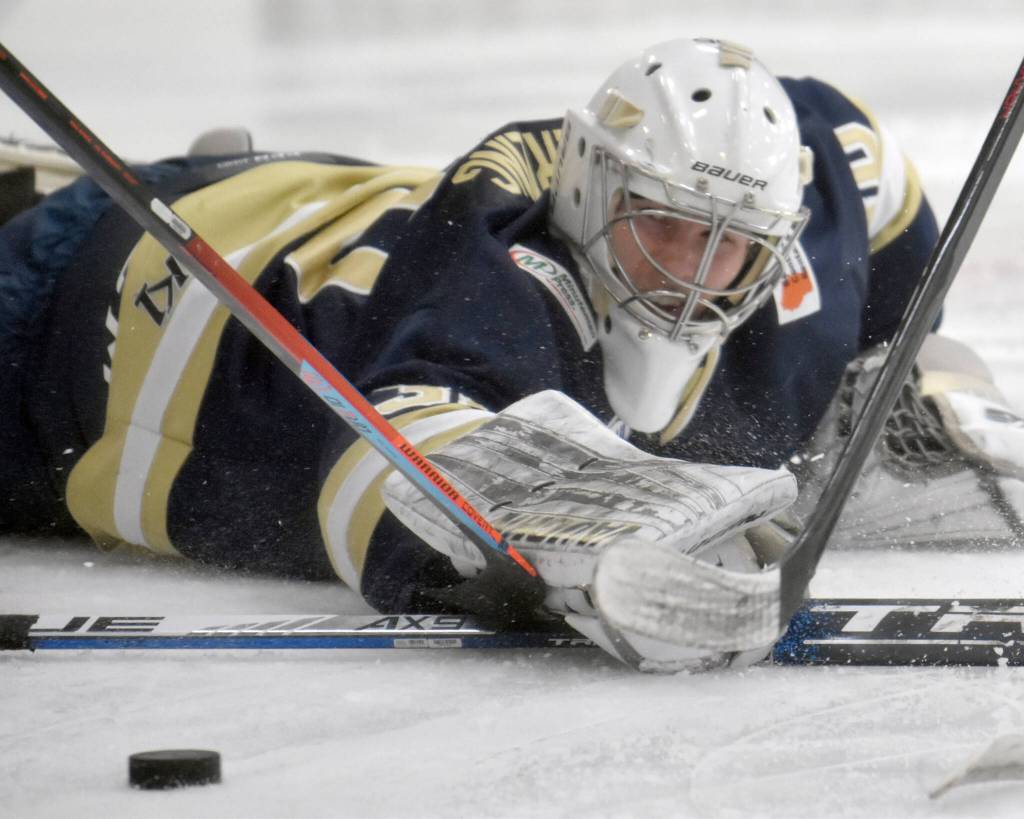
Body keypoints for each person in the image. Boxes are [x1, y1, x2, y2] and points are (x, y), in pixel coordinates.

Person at [3, 38, 1023, 672]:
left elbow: (860, 170)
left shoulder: (822, 178)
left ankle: (212, 165)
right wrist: (557, 554)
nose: (696, 276)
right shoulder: (501, 276)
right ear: (588, 189)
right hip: (50, 330)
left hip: (265, 207)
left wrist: (917, 369)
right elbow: (391, 470)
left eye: (732, 246)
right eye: (665, 230)